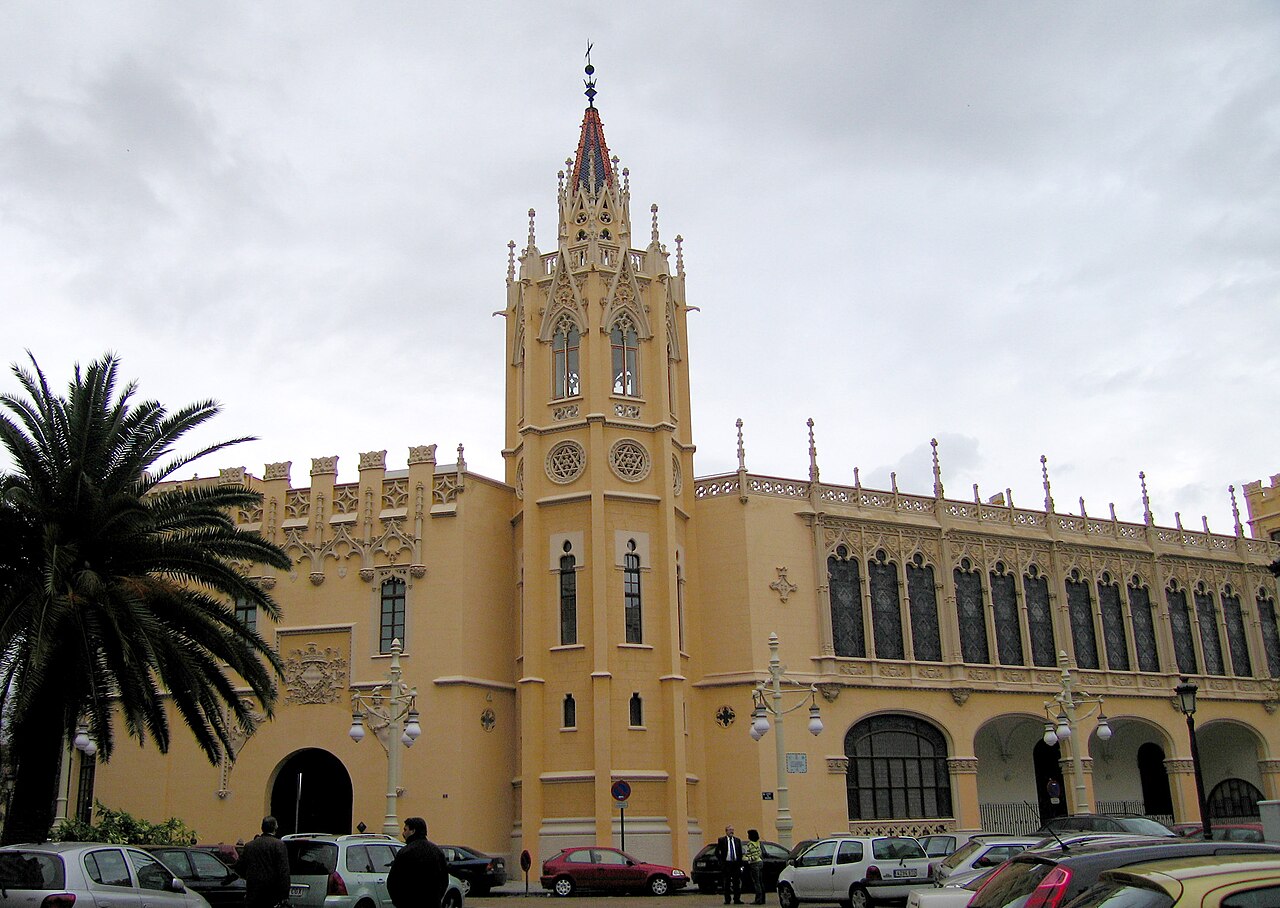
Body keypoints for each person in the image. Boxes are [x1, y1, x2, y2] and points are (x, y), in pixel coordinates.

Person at [387, 816, 448, 908]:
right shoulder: (437, 852)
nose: (403, 833)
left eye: (405, 830)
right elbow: (444, 880)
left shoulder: (405, 852)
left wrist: (399, 903)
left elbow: (393, 881)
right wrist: (437, 898)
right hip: (433, 903)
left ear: (413, 831)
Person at [234, 816, 290, 908]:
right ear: (275, 828)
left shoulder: (250, 846)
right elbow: (283, 871)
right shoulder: (279, 845)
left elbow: (240, 867)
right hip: (272, 893)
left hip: (253, 892)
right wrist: (284, 894)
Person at [715, 824, 744, 905]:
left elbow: (740, 852)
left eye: (732, 830)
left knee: (736, 883)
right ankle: (727, 899)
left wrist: (740, 863)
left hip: (735, 864)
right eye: (730, 830)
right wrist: (721, 862)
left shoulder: (737, 840)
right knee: (727, 882)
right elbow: (717, 852)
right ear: (726, 831)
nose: (732, 831)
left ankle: (737, 899)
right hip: (727, 864)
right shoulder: (722, 840)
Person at [743, 829, 766, 904]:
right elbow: (759, 853)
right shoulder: (758, 843)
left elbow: (754, 855)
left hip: (754, 863)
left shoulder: (751, 844)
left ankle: (758, 899)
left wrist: (747, 859)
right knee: (760, 881)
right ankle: (762, 899)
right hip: (760, 862)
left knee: (756, 882)